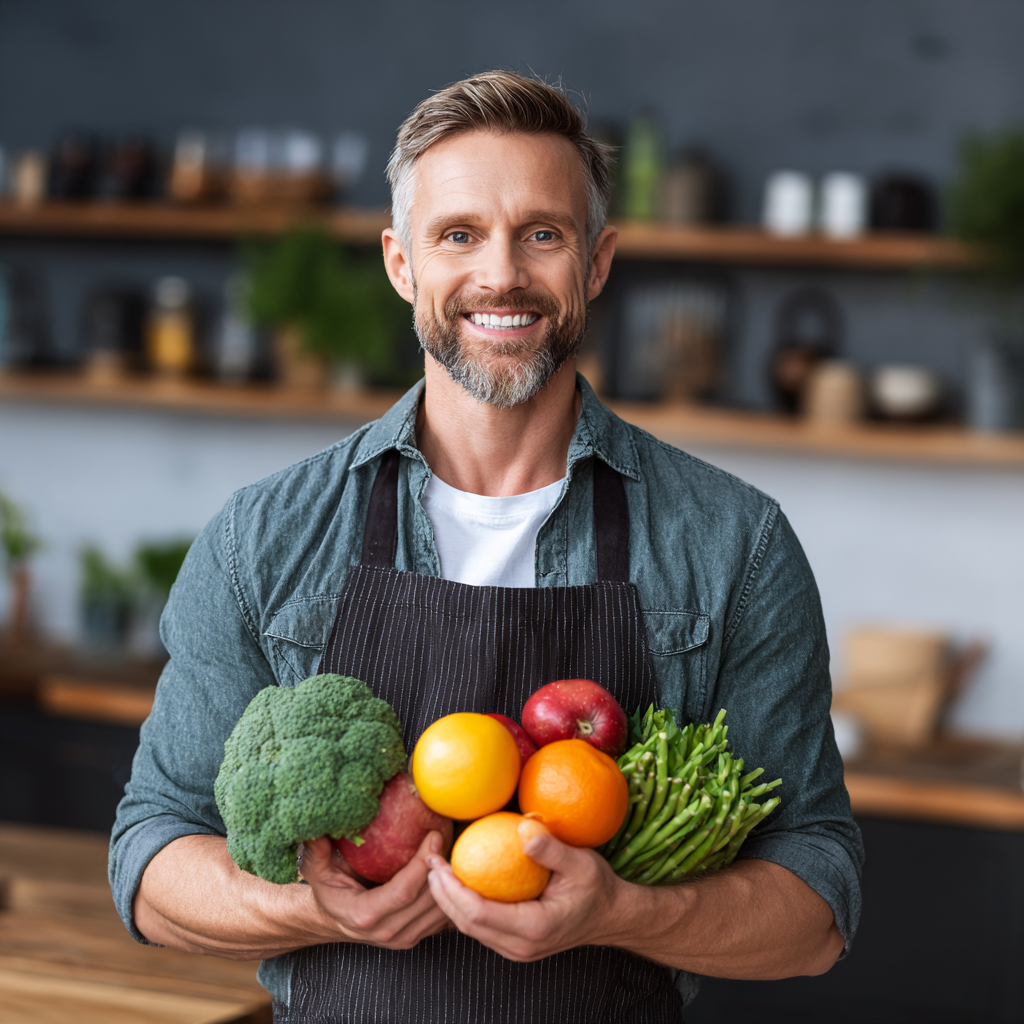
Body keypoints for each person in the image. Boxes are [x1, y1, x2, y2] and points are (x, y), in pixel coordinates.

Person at [110, 71, 862, 1023]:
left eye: (542, 234)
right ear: (401, 264)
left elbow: (816, 902)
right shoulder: (263, 537)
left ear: (597, 262)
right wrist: (316, 910)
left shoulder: (734, 545)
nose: (501, 275)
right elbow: (150, 862)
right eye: (458, 235)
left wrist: (622, 914)